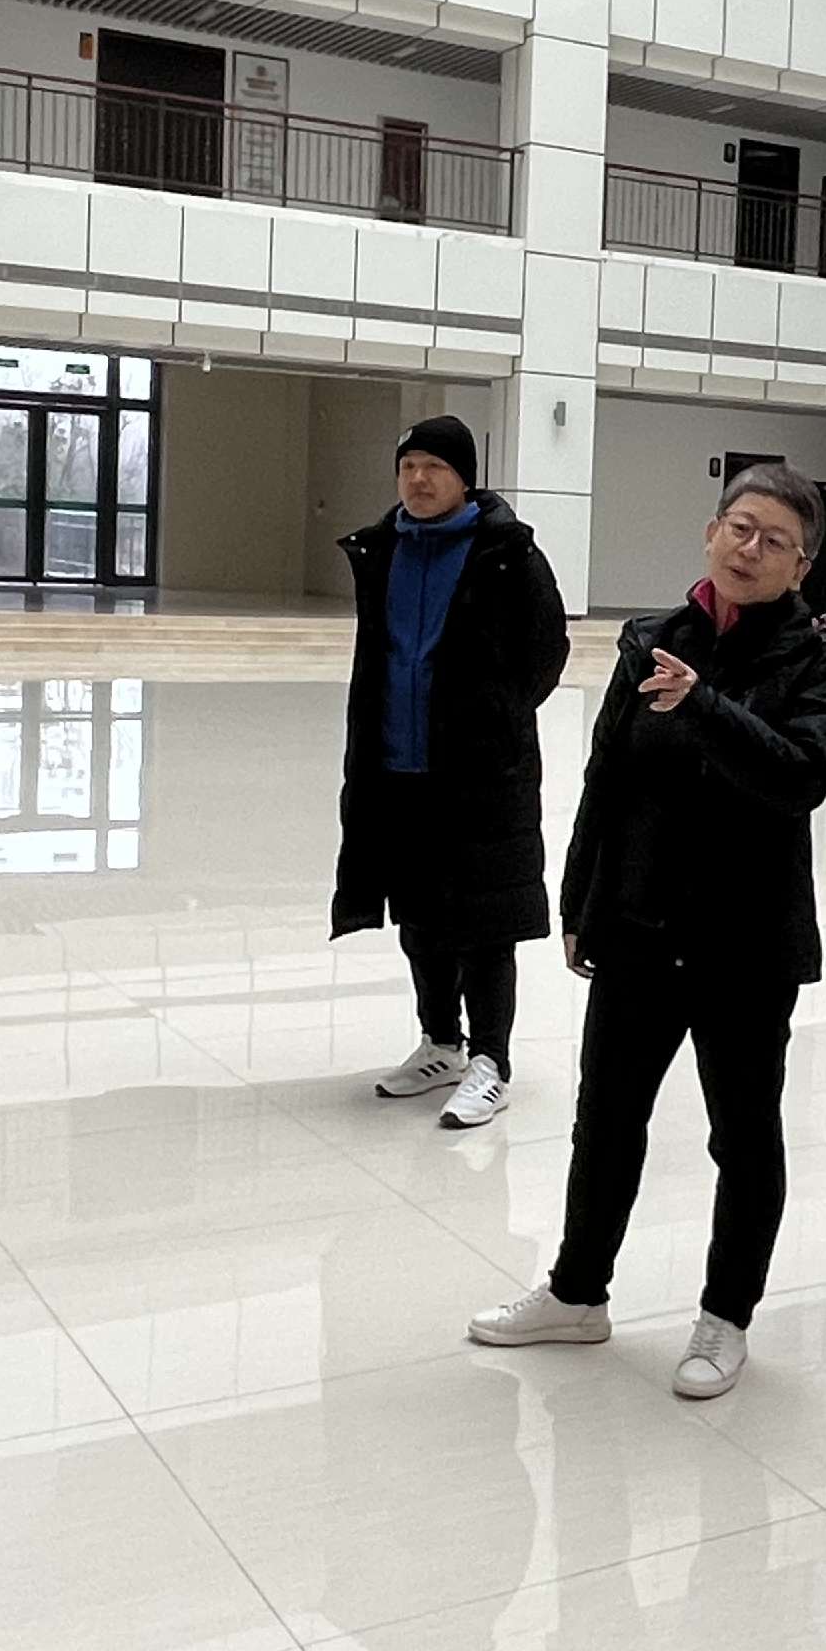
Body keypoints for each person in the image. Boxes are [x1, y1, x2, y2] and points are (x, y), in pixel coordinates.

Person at [469, 463, 826, 1401]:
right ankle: (577, 1293)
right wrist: (579, 902)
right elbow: (607, 778)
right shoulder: (653, 640)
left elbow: (799, 780)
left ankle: (726, 1317)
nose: (749, 549)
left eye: (774, 541)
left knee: (744, 1138)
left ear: (802, 566)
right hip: (640, 923)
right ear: (711, 531)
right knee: (605, 1121)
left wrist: (705, 705)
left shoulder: (817, 663)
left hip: (746, 942)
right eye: (739, 527)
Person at [334, 417, 571, 1130]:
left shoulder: (507, 553)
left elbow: (546, 649)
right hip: (395, 765)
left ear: (464, 478)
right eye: (408, 465)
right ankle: (441, 1042)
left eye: (434, 466)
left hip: (479, 775)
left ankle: (491, 1061)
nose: (418, 478)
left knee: (485, 923)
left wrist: (495, 718)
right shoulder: (383, 548)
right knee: (419, 915)